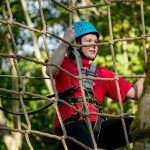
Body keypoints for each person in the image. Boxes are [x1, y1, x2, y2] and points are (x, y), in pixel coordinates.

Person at [46, 21, 144, 150]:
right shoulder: (63, 64)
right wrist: (65, 42)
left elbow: (136, 93)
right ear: (75, 43)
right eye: (88, 41)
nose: (94, 45)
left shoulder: (102, 73)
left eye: (96, 42)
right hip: (71, 127)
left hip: (97, 129)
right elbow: (50, 70)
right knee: (81, 133)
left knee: (140, 125)